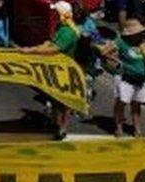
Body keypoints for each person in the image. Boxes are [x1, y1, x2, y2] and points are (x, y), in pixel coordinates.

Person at [20, 1, 93, 140]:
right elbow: (52, 43)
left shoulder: (68, 31)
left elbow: (55, 49)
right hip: (57, 68)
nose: (54, 14)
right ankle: (56, 123)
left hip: (66, 70)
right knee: (55, 98)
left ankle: (62, 127)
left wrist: (31, 50)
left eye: (56, 12)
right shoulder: (63, 27)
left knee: (64, 101)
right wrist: (40, 46)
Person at [112, 19, 145, 138]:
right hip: (125, 77)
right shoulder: (121, 42)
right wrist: (117, 62)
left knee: (137, 105)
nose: (140, 35)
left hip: (140, 78)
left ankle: (137, 129)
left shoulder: (143, 42)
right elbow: (104, 52)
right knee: (121, 103)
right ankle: (118, 127)